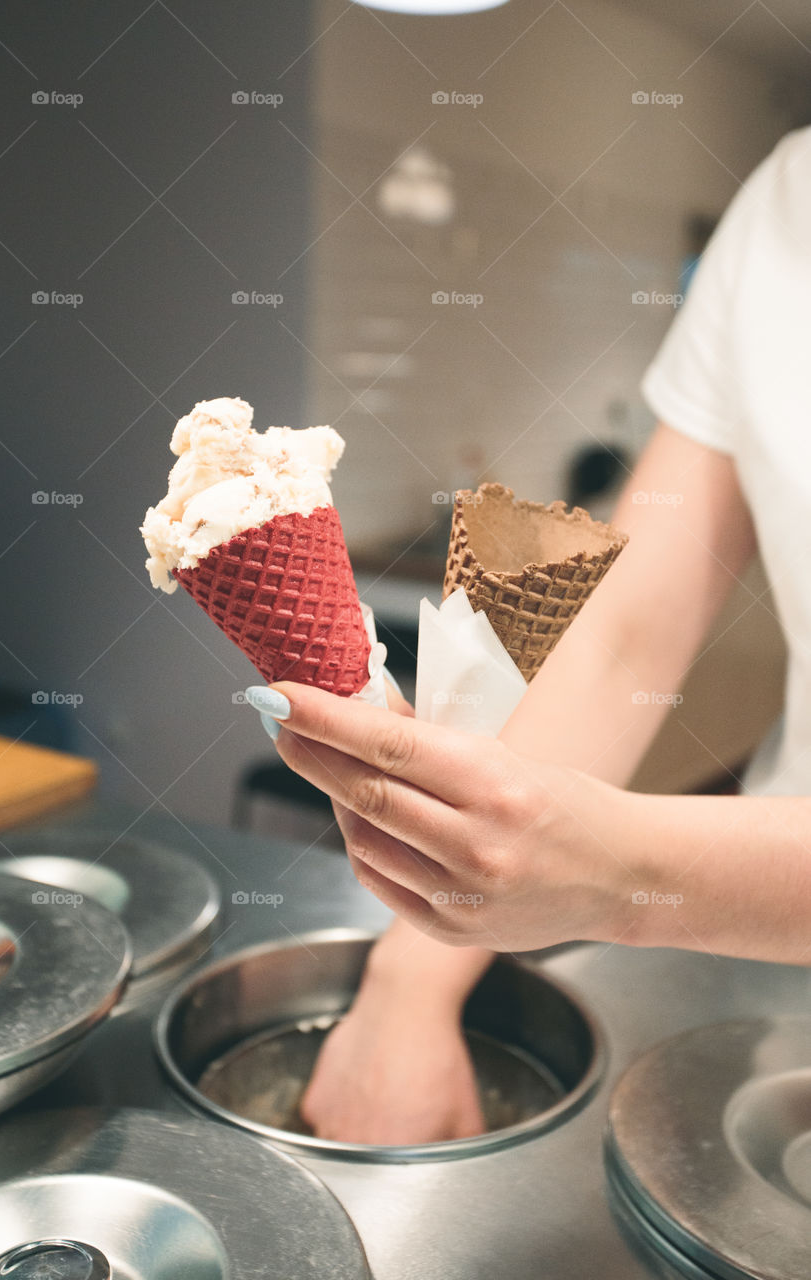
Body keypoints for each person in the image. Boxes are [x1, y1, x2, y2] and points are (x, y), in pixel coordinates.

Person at [244, 127, 811, 1144]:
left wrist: (625, 873)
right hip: (779, 993)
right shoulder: (786, 198)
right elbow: (627, 637)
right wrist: (408, 979)